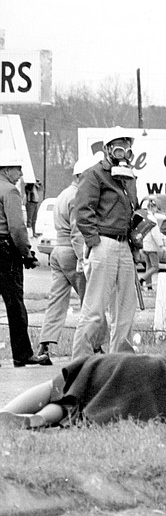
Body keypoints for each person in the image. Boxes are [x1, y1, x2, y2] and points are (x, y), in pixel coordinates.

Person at [0, 340, 166, 429]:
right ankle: (39, 422)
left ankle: (8, 412)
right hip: (144, 384)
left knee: (60, 388)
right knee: (75, 408)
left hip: (124, 362)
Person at [71, 127, 140, 359]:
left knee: (126, 310)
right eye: (119, 147)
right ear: (107, 149)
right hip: (104, 243)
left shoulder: (129, 178)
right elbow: (82, 210)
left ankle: (121, 360)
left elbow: (132, 209)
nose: (124, 153)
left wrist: (136, 238)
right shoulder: (94, 175)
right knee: (95, 310)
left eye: (127, 148)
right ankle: (79, 362)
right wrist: (93, 240)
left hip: (124, 244)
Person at [37, 154, 108, 361]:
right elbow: (78, 233)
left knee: (57, 301)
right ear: (83, 175)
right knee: (92, 301)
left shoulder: (62, 195)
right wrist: (84, 260)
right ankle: (97, 347)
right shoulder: (79, 196)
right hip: (72, 252)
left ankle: (45, 345)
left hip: (58, 251)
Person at [0, 148, 49, 367]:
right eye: (18, 169)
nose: (20, 174)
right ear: (7, 169)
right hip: (5, 251)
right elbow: (17, 228)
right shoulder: (10, 191)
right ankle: (22, 354)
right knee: (15, 305)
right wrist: (27, 254)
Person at [138, 198, 165, 291]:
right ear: (153, 207)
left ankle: (148, 286)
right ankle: (141, 279)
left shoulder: (145, 217)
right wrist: (161, 245)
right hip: (152, 247)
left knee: (148, 266)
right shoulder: (153, 219)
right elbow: (155, 234)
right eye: (157, 208)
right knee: (155, 267)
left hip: (145, 246)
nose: (157, 211)